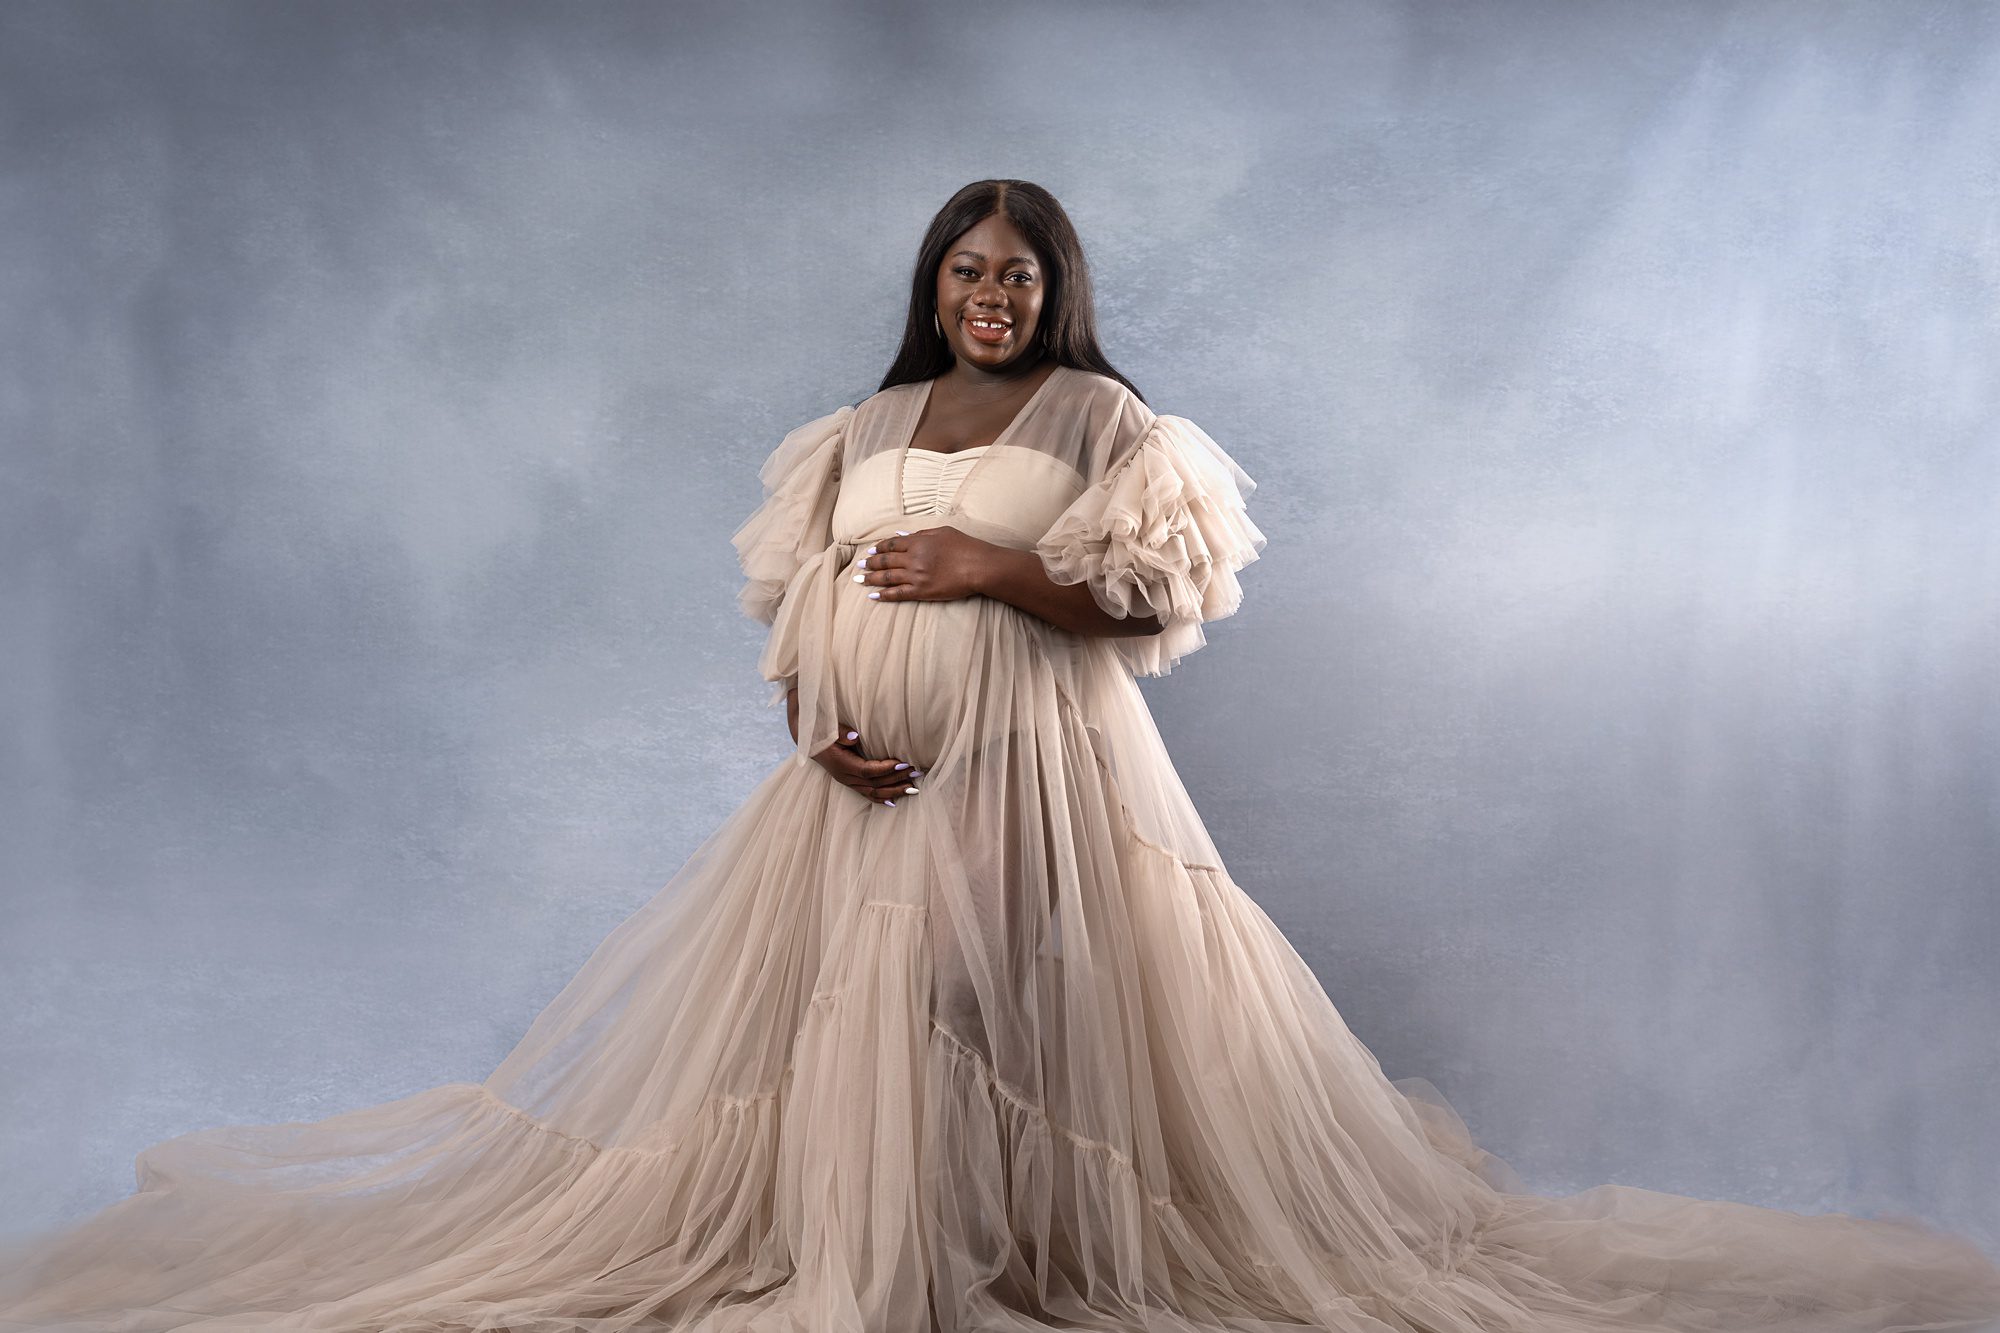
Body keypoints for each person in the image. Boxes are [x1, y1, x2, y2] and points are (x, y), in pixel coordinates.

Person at [3, 178, 1998, 1333]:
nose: (988, 292)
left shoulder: (1111, 425)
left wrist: (991, 567)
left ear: (1054, 289)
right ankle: (890, 1257)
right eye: (964, 270)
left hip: (1044, 776)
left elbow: (1150, 614)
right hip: (862, 780)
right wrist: (826, 714)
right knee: (865, 1008)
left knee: (968, 993)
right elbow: (796, 614)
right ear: (927, 288)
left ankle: (959, 1261)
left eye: (1016, 271)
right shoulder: (853, 429)